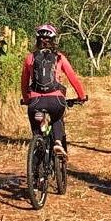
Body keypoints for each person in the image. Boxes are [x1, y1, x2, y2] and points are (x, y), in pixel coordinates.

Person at [21, 23, 87, 157]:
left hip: (35, 102)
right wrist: (81, 96)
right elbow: (73, 78)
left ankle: (37, 146)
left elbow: (24, 82)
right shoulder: (59, 57)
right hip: (55, 100)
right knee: (57, 118)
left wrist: (27, 99)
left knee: (37, 126)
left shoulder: (30, 58)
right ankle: (57, 142)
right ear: (53, 41)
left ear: (37, 40)